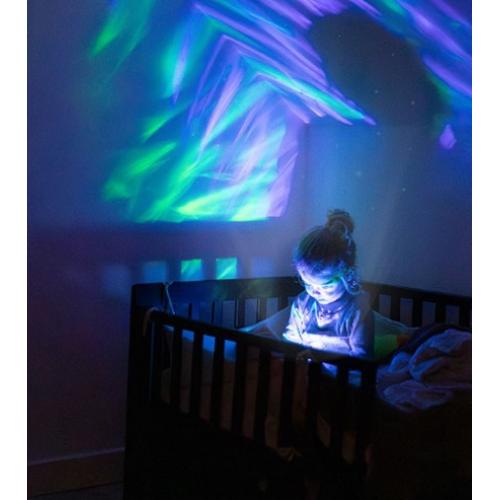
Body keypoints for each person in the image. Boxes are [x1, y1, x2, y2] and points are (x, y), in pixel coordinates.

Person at [283, 209, 374, 358]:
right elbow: (291, 342)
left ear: (346, 275)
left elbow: (361, 359)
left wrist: (322, 358)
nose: (315, 291)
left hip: (344, 372)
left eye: (325, 286)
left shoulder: (357, 311)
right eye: (308, 284)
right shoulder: (302, 304)